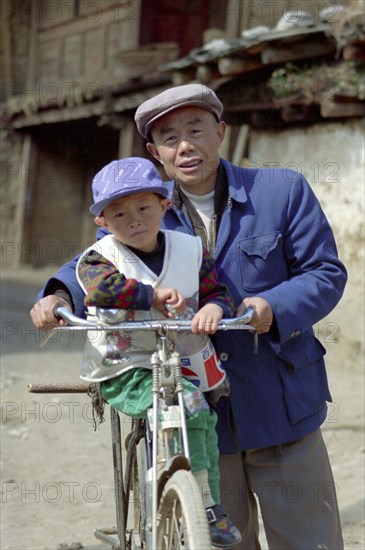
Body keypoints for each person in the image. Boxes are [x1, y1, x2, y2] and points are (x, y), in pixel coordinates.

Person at [31, 84, 347, 550]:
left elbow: (324, 272)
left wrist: (271, 307)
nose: (185, 145)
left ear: (220, 131)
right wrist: (57, 295)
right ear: (154, 152)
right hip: (194, 409)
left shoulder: (281, 191)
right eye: (169, 137)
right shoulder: (143, 208)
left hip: (281, 403)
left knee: (309, 541)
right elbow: (94, 263)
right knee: (215, 538)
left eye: (195, 129)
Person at [74, 156, 241, 548]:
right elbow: (102, 290)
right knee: (187, 402)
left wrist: (214, 308)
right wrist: (151, 295)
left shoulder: (190, 249)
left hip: (177, 360)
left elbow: (217, 291)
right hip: (124, 367)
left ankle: (205, 502)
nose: (134, 221)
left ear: (164, 206)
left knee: (200, 416)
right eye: (119, 214)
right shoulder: (99, 259)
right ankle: (168, 484)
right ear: (103, 223)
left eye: (144, 208)